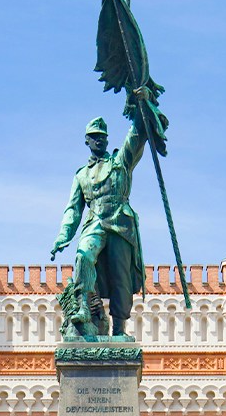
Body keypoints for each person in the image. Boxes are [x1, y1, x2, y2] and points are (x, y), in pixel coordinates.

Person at [49, 96, 160, 339]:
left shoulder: (121, 162)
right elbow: (73, 209)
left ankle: (119, 329)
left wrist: (140, 108)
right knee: (84, 256)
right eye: (95, 136)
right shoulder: (81, 176)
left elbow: (136, 136)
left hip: (120, 222)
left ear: (107, 140)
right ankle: (83, 306)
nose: (99, 140)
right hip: (95, 222)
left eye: (103, 136)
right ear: (87, 141)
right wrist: (63, 236)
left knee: (121, 278)